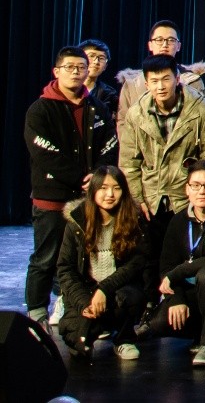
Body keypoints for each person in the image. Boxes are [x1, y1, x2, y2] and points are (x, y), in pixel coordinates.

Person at [26, 46, 119, 324]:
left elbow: (110, 143)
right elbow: (44, 151)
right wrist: (82, 177)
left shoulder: (97, 106)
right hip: (52, 197)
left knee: (82, 258)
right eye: (70, 67)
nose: (76, 72)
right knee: (46, 257)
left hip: (88, 197)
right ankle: (36, 311)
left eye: (81, 67)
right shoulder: (40, 109)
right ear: (56, 71)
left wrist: (97, 176)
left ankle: (72, 307)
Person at [117, 54, 205, 288]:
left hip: (186, 194)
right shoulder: (136, 113)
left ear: (177, 79)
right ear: (146, 84)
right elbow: (129, 161)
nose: (160, 86)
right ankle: (152, 303)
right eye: (154, 81)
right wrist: (137, 198)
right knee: (149, 258)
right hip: (151, 196)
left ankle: (183, 301)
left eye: (166, 79)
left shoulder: (200, 108)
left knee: (185, 256)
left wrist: (201, 192)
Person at [143, 159, 205, 366]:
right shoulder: (178, 220)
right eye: (196, 185)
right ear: (187, 189)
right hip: (189, 291)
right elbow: (166, 266)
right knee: (159, 323)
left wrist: (178, 272)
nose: (202, 191)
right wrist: (177, 298)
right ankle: (200, 332)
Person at [55, 166, 147, 361]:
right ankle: (98, 325)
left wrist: (104, 289)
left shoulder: (133, 219)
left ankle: (123, 338)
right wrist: (83, 303)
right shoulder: (76, 222)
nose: (110, 194)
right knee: (77, 342)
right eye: (103, 188)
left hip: (117, 288)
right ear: (93, 190)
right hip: (86, 290)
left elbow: (135, 265)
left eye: (116, 188)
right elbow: (65, 269)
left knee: (129, 298)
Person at [117, 20, 205, 113]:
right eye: (159, 40)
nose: (165, 45)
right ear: (150, 45)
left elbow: (199, 115)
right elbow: (123, 119)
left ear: (178, 46)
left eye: (171, 40)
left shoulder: (193, 81)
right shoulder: (131, 83)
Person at [80, 39, 120, 121]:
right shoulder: (66, 88)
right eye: (91, 56)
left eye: (101, 58)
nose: (96, 62)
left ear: (105, 66)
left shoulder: (110, 94)